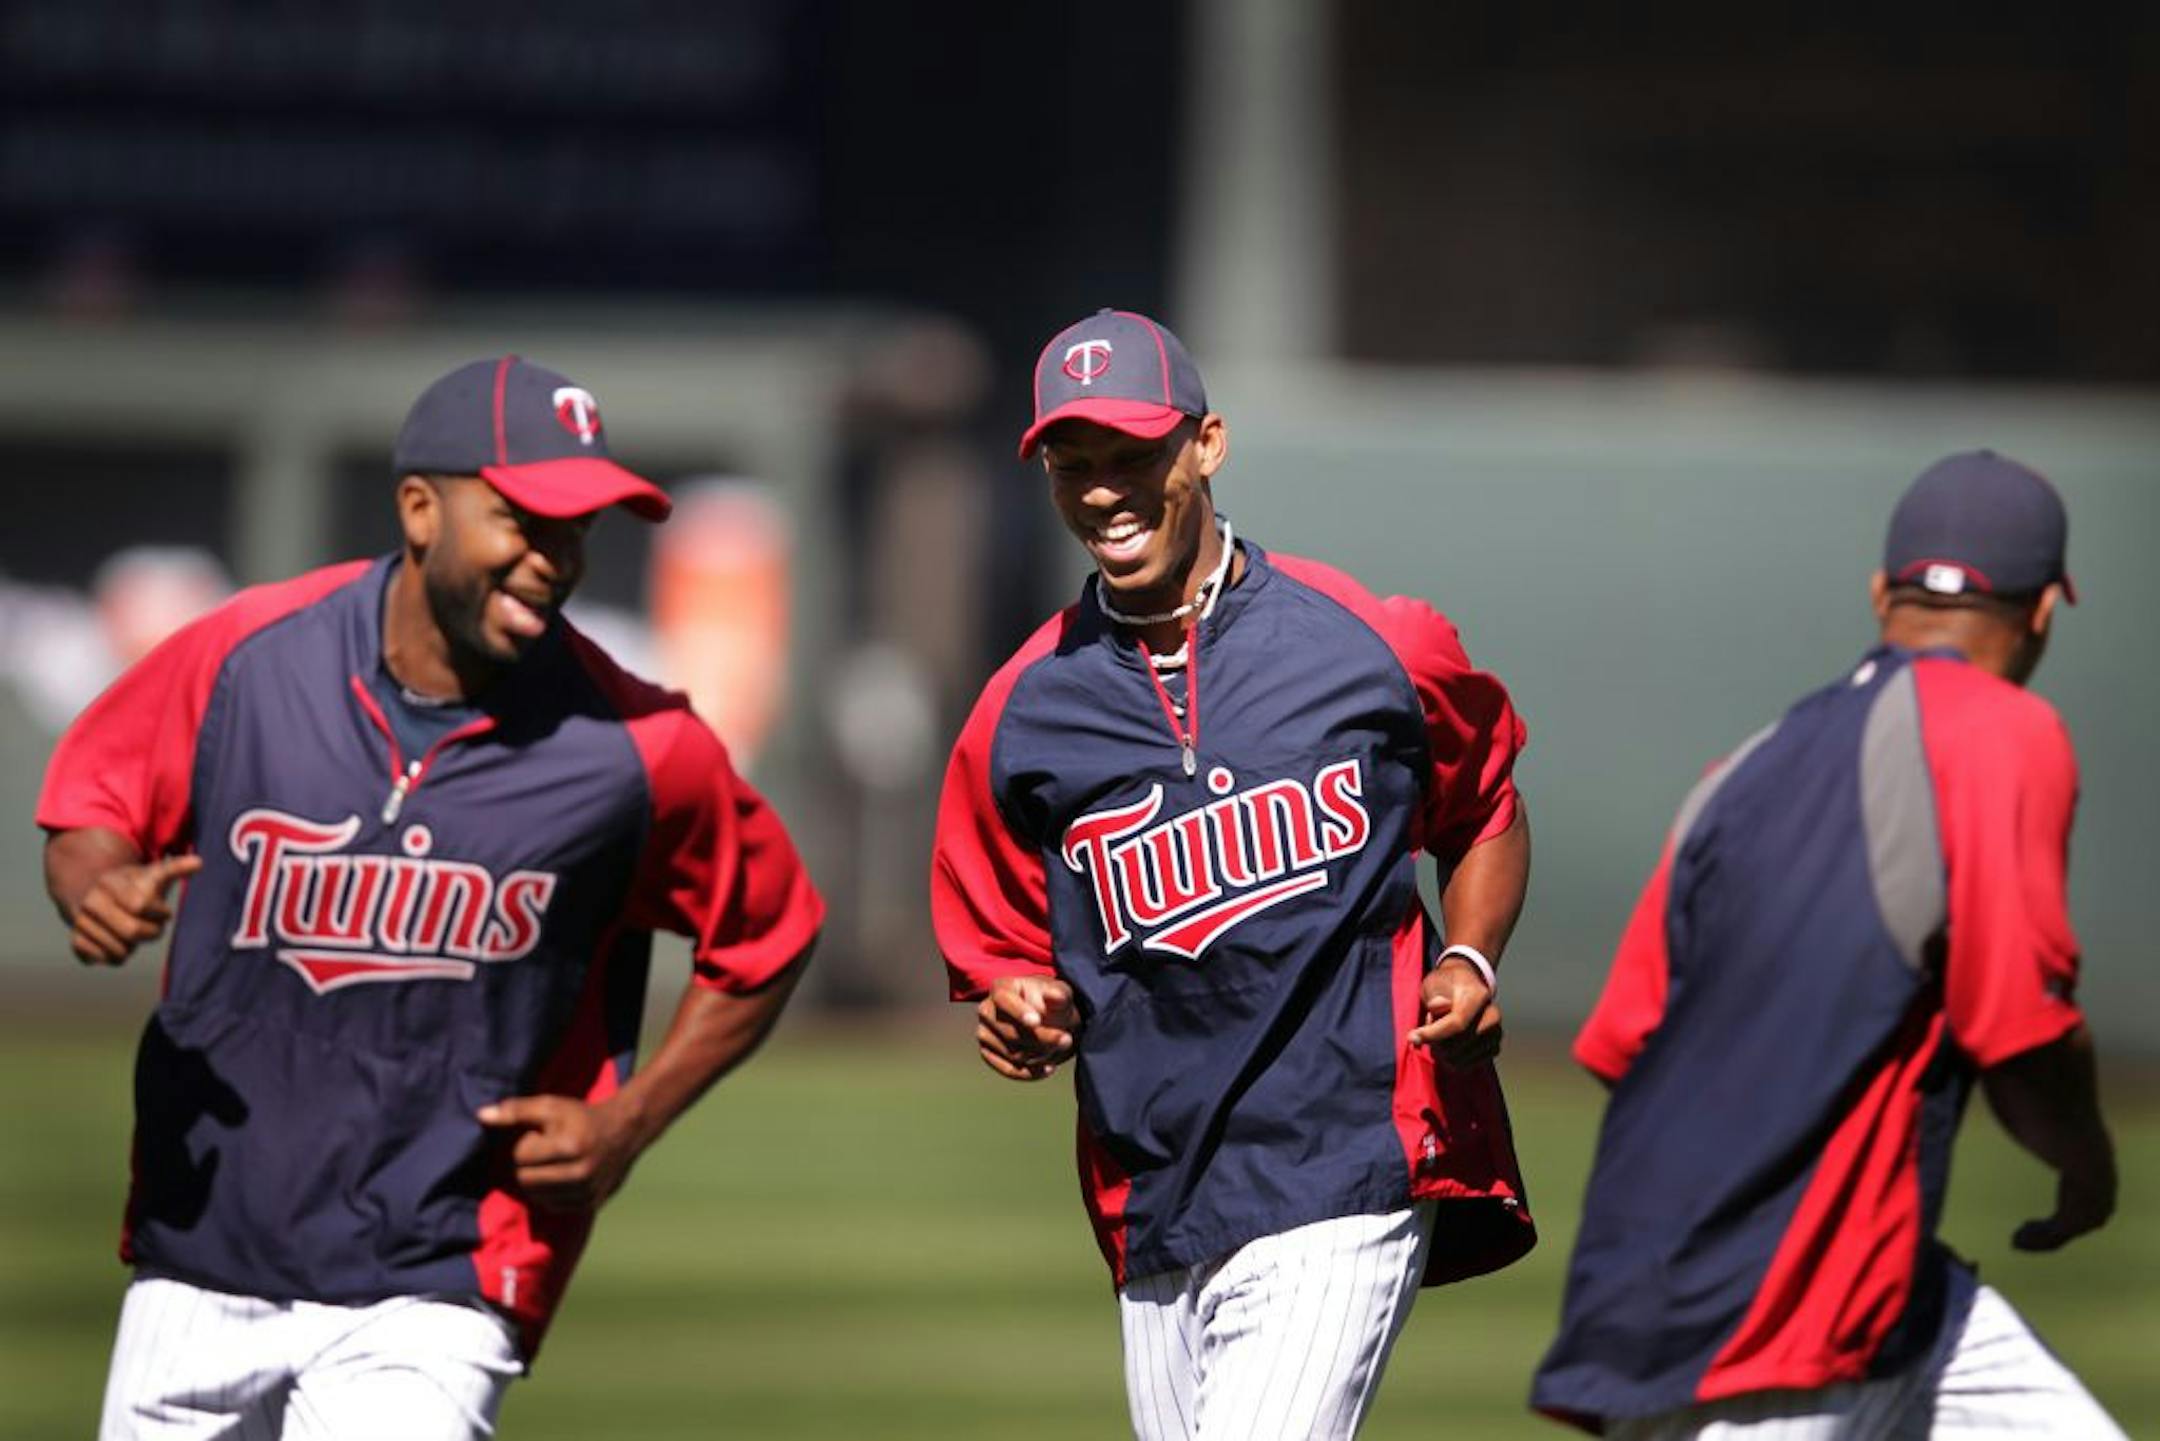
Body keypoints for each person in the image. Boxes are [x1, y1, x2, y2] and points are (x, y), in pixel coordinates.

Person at [39, 356, 825, 1439]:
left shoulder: (638, 747)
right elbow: (95, 799)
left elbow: (771, 931)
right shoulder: (250, 657)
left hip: (444, 1268)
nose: (554, 558)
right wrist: (94, 882)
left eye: (580, 528)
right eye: (523, 519)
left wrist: (629, 1120)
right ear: (419, 508)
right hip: (202, 1247)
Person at [930, 308, 1536, 1439]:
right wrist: (1021, 1003)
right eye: (1075, 466)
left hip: (1345, 1157)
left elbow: (1487, 803)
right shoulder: (1024, 711)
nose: (1104, 492)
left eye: (1133, 458)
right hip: (1157, 1189)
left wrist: (1467, 949)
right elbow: (1008, 947)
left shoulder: (1371, 641)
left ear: (1206, 444)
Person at [1530, 451, 2122, 1438]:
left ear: (1880, 592)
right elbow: (2019, 1030)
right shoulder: (2007, 729)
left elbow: (1624, 1037)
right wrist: (2089, 1169)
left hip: (1802, 1283)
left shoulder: (1741, 771)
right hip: (1767, 1315)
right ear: (2045, 612)